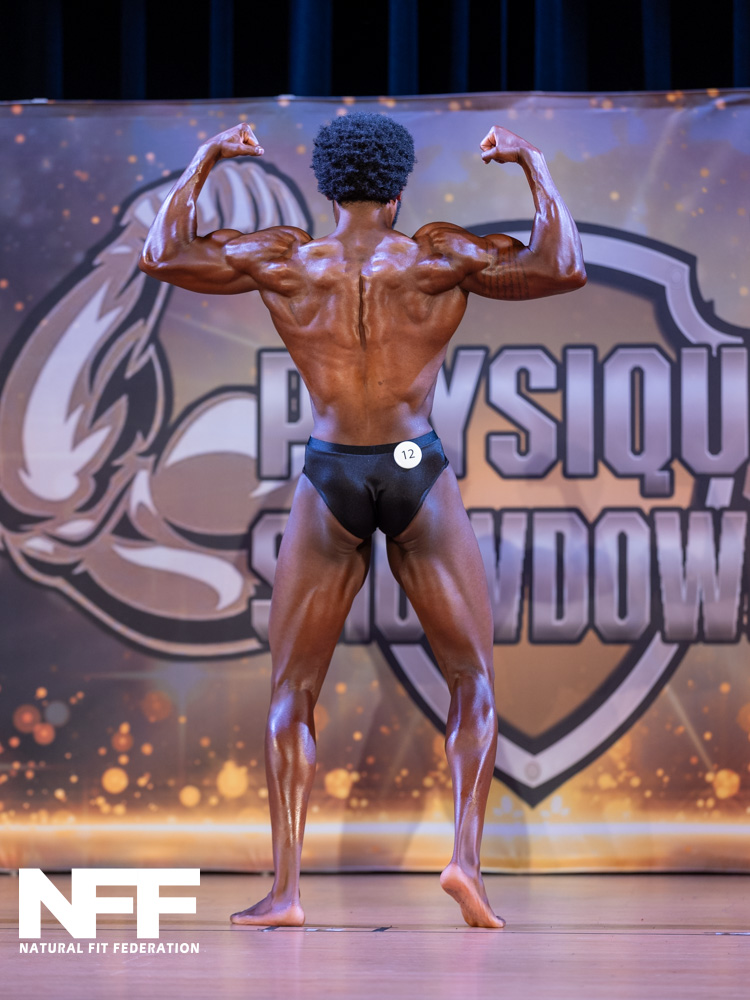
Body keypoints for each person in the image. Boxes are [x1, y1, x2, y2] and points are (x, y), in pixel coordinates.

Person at [140, 112, 586, 929]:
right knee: (472, 679)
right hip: (414, 463)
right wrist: (532, 164)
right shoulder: (438, 255)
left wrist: (205, 159)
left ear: (325, 185)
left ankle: (286, 892)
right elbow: (562, 266)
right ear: (399, 187)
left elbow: (163, 253)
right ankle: (465, 864)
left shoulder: (286, 259)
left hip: (332, 469)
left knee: (292, 689)